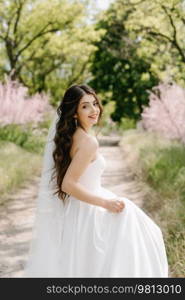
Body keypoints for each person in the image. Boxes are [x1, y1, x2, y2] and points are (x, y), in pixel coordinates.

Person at [23, 84, 169, 277]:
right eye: (85, 106)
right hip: (88, 212)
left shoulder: (72, 137)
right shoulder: (88, 142)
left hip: (77, 209)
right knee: (139, 241)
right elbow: (68, 184)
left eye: (94, 103)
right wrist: (106, 203)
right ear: (74, 113)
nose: (94, 110)